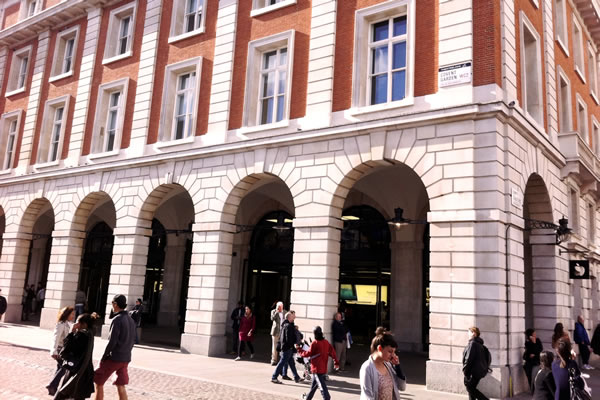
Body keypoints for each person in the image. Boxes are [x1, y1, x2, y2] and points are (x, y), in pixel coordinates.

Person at [93, 294, 136, 400]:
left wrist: (104, 356)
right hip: (126, 357)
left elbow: (112, 342)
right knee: (120, 384)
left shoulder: (117, 319)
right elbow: (133, 340)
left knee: (98, 381)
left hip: (115, 357)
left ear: (115, 304)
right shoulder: (131, 320)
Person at [54, 312, 100, 400]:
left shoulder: (81, 335)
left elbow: (65, 351)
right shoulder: (90, 333)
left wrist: (71, 333)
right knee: (79, 396)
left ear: (84, 324)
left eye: (78, 322)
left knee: (63, 393)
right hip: (85, 370)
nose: (76, 324)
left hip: (75, 369)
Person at [359, 327, 406, 400]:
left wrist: (397, 366)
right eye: (390, 351)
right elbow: (367, 396)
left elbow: (402, 387)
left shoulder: (388, 365)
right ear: (380, 348)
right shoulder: (367, 368)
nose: (393, 355)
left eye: (394, 352)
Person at [297, 326, 339, 400]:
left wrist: (299, 350)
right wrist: (336, 362)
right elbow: (332, 352)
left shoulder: (315, 343)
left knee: (322, 387)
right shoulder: (326, 342)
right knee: (313, 386)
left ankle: (327, 398)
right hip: (323, 368)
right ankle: (307, 398)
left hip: (316, 369)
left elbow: (307, 354)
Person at [46, 306, 76, 395]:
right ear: (66, 314)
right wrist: (53, 351)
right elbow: (56, 338)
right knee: (64, 368)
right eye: (72, 314)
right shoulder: (61, 324)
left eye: (74, 314)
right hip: (60, 350)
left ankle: (53, 387)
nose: (73, 316)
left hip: (65, 350)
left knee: (60, 368)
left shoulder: (69, 324)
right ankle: (52, 385)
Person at [271, 311, 302, 384]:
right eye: (293, 315)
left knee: (291, 363)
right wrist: (293, 345)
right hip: (287, 348)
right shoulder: (288, 326)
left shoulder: (286, 325)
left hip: (287, 348)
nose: (295, 317)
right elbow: (288, 338)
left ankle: (296, 377)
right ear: (289, 317)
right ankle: (274, 377)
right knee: (282, 363)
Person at [462, 326, 489, 400]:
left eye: (469, 332)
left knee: (470, 388)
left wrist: (465, 371)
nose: (468, 334)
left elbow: (469, 359)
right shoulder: (479, 344)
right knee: (471, 389)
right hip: (478, 371)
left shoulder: (473, 344)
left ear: (474, 333)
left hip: (472, 372)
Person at [270, 301, 286, 365]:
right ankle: (274, 360)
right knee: (274, 346)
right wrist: (276, 312)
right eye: (278, 307)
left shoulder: (285, 312)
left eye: (280, 307)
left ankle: (282, 360)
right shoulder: (273, 311)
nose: (279, 308)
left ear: (282, 307)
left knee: (283, 346)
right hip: (275, 332)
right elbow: (272, 318)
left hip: (283, 332)